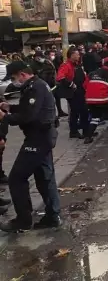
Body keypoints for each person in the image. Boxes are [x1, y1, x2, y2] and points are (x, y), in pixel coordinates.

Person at [0, 61, 61, 232]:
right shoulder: (36, 85)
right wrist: (10, 107)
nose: (13, 82)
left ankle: (23, 220)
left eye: (13, 78)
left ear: (22, 74)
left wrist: (4, 117)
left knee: (17, 178)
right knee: (44, 178)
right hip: (43, 137)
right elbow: (29, 107)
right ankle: (52, 215)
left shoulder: (35, 87)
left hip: (38, 139)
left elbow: (28, 116)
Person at [55, 48, 89, 139]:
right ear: (72, 55)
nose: (79, 56)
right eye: (77, 54)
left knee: (84, 111)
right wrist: (71, 84)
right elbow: (60, 77)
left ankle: (86, 130)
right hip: (72, 92)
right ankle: (73, 132)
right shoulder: (66, 65)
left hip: (81, 90)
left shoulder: (78, 64)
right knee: (75, 112)